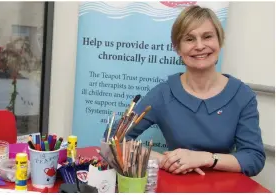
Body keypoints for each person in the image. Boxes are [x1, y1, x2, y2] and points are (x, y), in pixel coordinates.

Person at [104, 5, 265, 177]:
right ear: (177, 48)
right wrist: (162, 160)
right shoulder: (163, 93)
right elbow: (112, 140)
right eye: (189, 39)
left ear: (220, 41)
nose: (200, 46)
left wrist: (204, 158)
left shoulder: (242, 95)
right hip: (176, 183)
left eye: (207, 36)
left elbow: (253, 158)